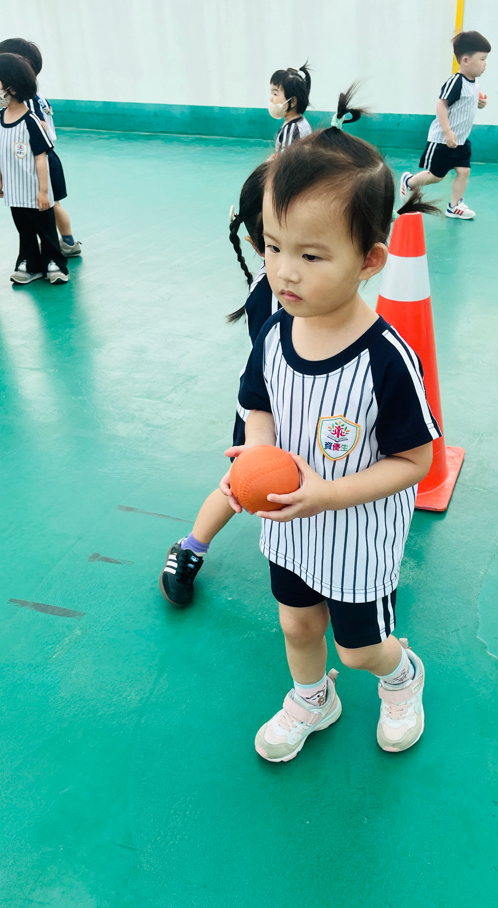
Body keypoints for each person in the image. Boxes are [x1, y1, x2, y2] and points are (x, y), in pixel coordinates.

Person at [220, 89, 442, 763]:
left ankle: (401, 677)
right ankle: (313, 698)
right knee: (296, 625)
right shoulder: (273, 333)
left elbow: (415, 462)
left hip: (356, 535)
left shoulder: (387, 359)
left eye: (311, 256)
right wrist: (257, 458)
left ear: (370, 260)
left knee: (360, 646)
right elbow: (257, 404)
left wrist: (327, 494)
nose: (284, 271)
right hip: (290, 524)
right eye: (273, 246)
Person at [159, 163, 280, 606]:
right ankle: (190, 548)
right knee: (239, 486)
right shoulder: (271, 295)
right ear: (259, 243)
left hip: (314, 408)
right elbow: (266, 375)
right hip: (266, 409)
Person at [0, 38, 81, 257]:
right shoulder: (37, 95)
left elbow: (38, 128)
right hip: (47, 155)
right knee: (54, 204)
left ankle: (64, 244)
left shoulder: (26, 100)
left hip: (39, 158)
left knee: (49, 205)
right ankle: (68, 241)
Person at [0, 53, 68, 284]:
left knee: (45, 228)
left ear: (11, 88)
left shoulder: (31, 121)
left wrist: (43, 191)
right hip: (14, 191)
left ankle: (55, 263)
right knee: (24, 228)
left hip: (35, 190)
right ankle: (29, 263)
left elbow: (41, 158)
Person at [400, 30, 490, 220]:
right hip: (443, 140)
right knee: (436, 176)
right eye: (482, 59)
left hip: (461, 139)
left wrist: (480, 103)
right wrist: (447, 131)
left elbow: (467, 102)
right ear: (465, 60)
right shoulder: (456, 82)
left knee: (464, 171)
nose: (485, 64)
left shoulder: (474, 83)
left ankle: (455, 206)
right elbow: (441, 104)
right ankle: (408, 182)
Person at [269, 63, 312, 152]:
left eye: (275, 94)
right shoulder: (300, 122)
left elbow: (287, 159)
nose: (271, 99)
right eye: (272, 93)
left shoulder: (292, 129)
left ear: (292, 101)